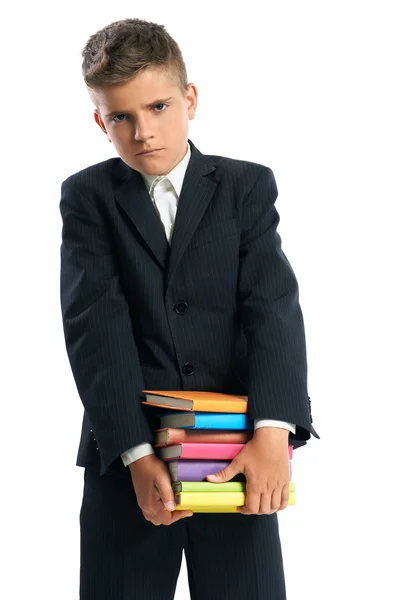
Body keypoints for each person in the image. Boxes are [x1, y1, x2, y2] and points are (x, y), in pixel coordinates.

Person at [59, 17, 319, 600]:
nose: (142, 131)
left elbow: (272, 307)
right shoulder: (87, 198)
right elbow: (95, 330)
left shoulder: (245, 187)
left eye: (158, 107)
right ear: (100, 121)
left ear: (190, 99)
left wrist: (274, 431)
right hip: (128, 456)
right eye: (121, 117)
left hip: (236, 451)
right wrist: (136, 454)